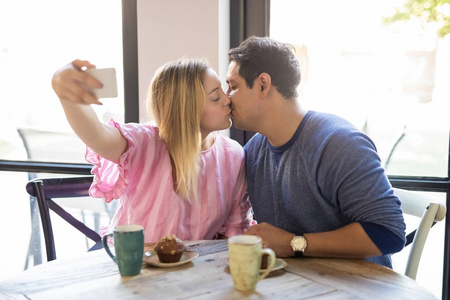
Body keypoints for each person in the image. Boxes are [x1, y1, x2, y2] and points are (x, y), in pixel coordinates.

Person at [226, 36, 406, 267]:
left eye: (233, 86)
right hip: (292, 285)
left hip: (356, 287)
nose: (225, 97)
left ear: (263, 84)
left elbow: (389, 232)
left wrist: (294, 244)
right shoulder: (252, 151)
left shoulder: (338, 143)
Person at [51, 58, 253, 242]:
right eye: (216, 97)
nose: (228, 100)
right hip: (133, 265)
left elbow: (234, 231)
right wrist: (67, 95)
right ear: (187, 107)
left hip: (193, 271)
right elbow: (96, 135)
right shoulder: (144, 143)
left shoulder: (233, 154)